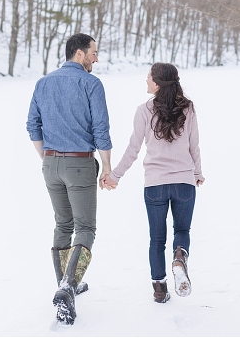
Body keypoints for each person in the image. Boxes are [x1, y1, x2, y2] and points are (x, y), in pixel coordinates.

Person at [26, 33, 113, 325]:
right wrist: (107, 166)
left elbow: (32, 125)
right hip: (79, 164)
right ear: (79, 53)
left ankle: (67, 284)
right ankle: (67, 287)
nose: (96, 59)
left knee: (63, 224)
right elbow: (101, 128)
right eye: (93, 53)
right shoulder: (91, 83)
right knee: (85, 227)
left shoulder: (43, 83)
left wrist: (47, 157)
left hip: (51, 163)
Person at [101, 62, 204, 304]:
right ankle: (179, 257)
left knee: (157, 240)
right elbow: (194, 145)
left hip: (155, 185)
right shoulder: (188, 108)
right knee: (182, 231)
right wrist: (197, 172)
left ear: (157, 83)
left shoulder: (143, 110)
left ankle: (159, 289)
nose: (146, 81)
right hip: (184, 182)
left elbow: (133, 149)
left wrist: (115, 175)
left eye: (148, 77)